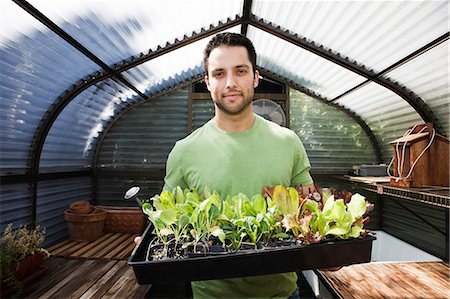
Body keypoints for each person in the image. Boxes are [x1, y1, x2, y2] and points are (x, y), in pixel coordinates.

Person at [161, 32, 316, 298]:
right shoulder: (184, 151)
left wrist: (327, 247)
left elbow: (311, 213)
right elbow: (169, 221)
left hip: (282, 294)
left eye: (240, 71)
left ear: (255, 77)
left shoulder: (288, 142)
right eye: (219, 73)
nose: (230, 83)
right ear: (207, 82)